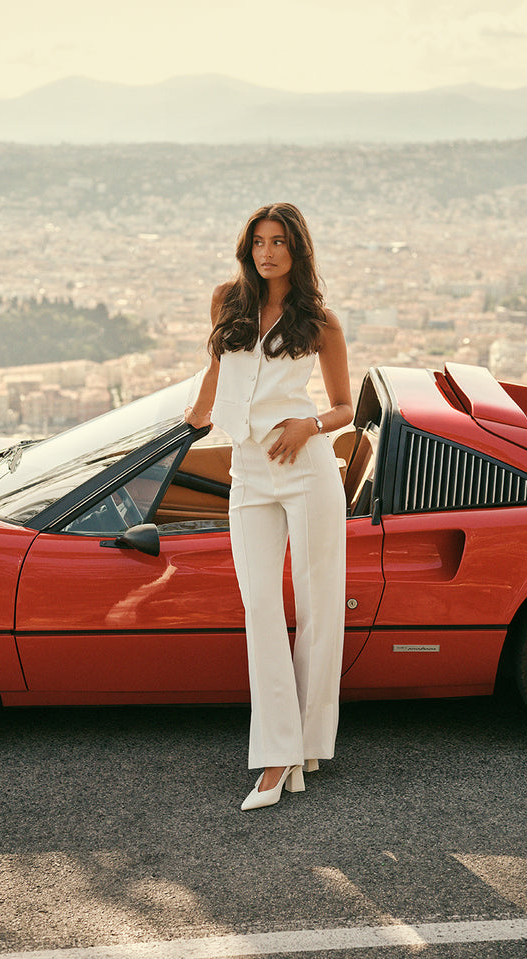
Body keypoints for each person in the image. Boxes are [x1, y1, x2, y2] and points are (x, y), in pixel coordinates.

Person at [185, 202, 353, 810]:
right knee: (260, 606)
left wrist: (308, 426)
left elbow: (344, 406)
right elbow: (215, 370)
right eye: (259, 240)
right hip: (249, 472)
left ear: (297, 250)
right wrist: (193, 421)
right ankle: (279, 749)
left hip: (306, 470)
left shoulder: (320, 320)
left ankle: (301, 746)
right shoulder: (227, 300)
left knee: (317, 609)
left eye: (279, 241)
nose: (267, 251)